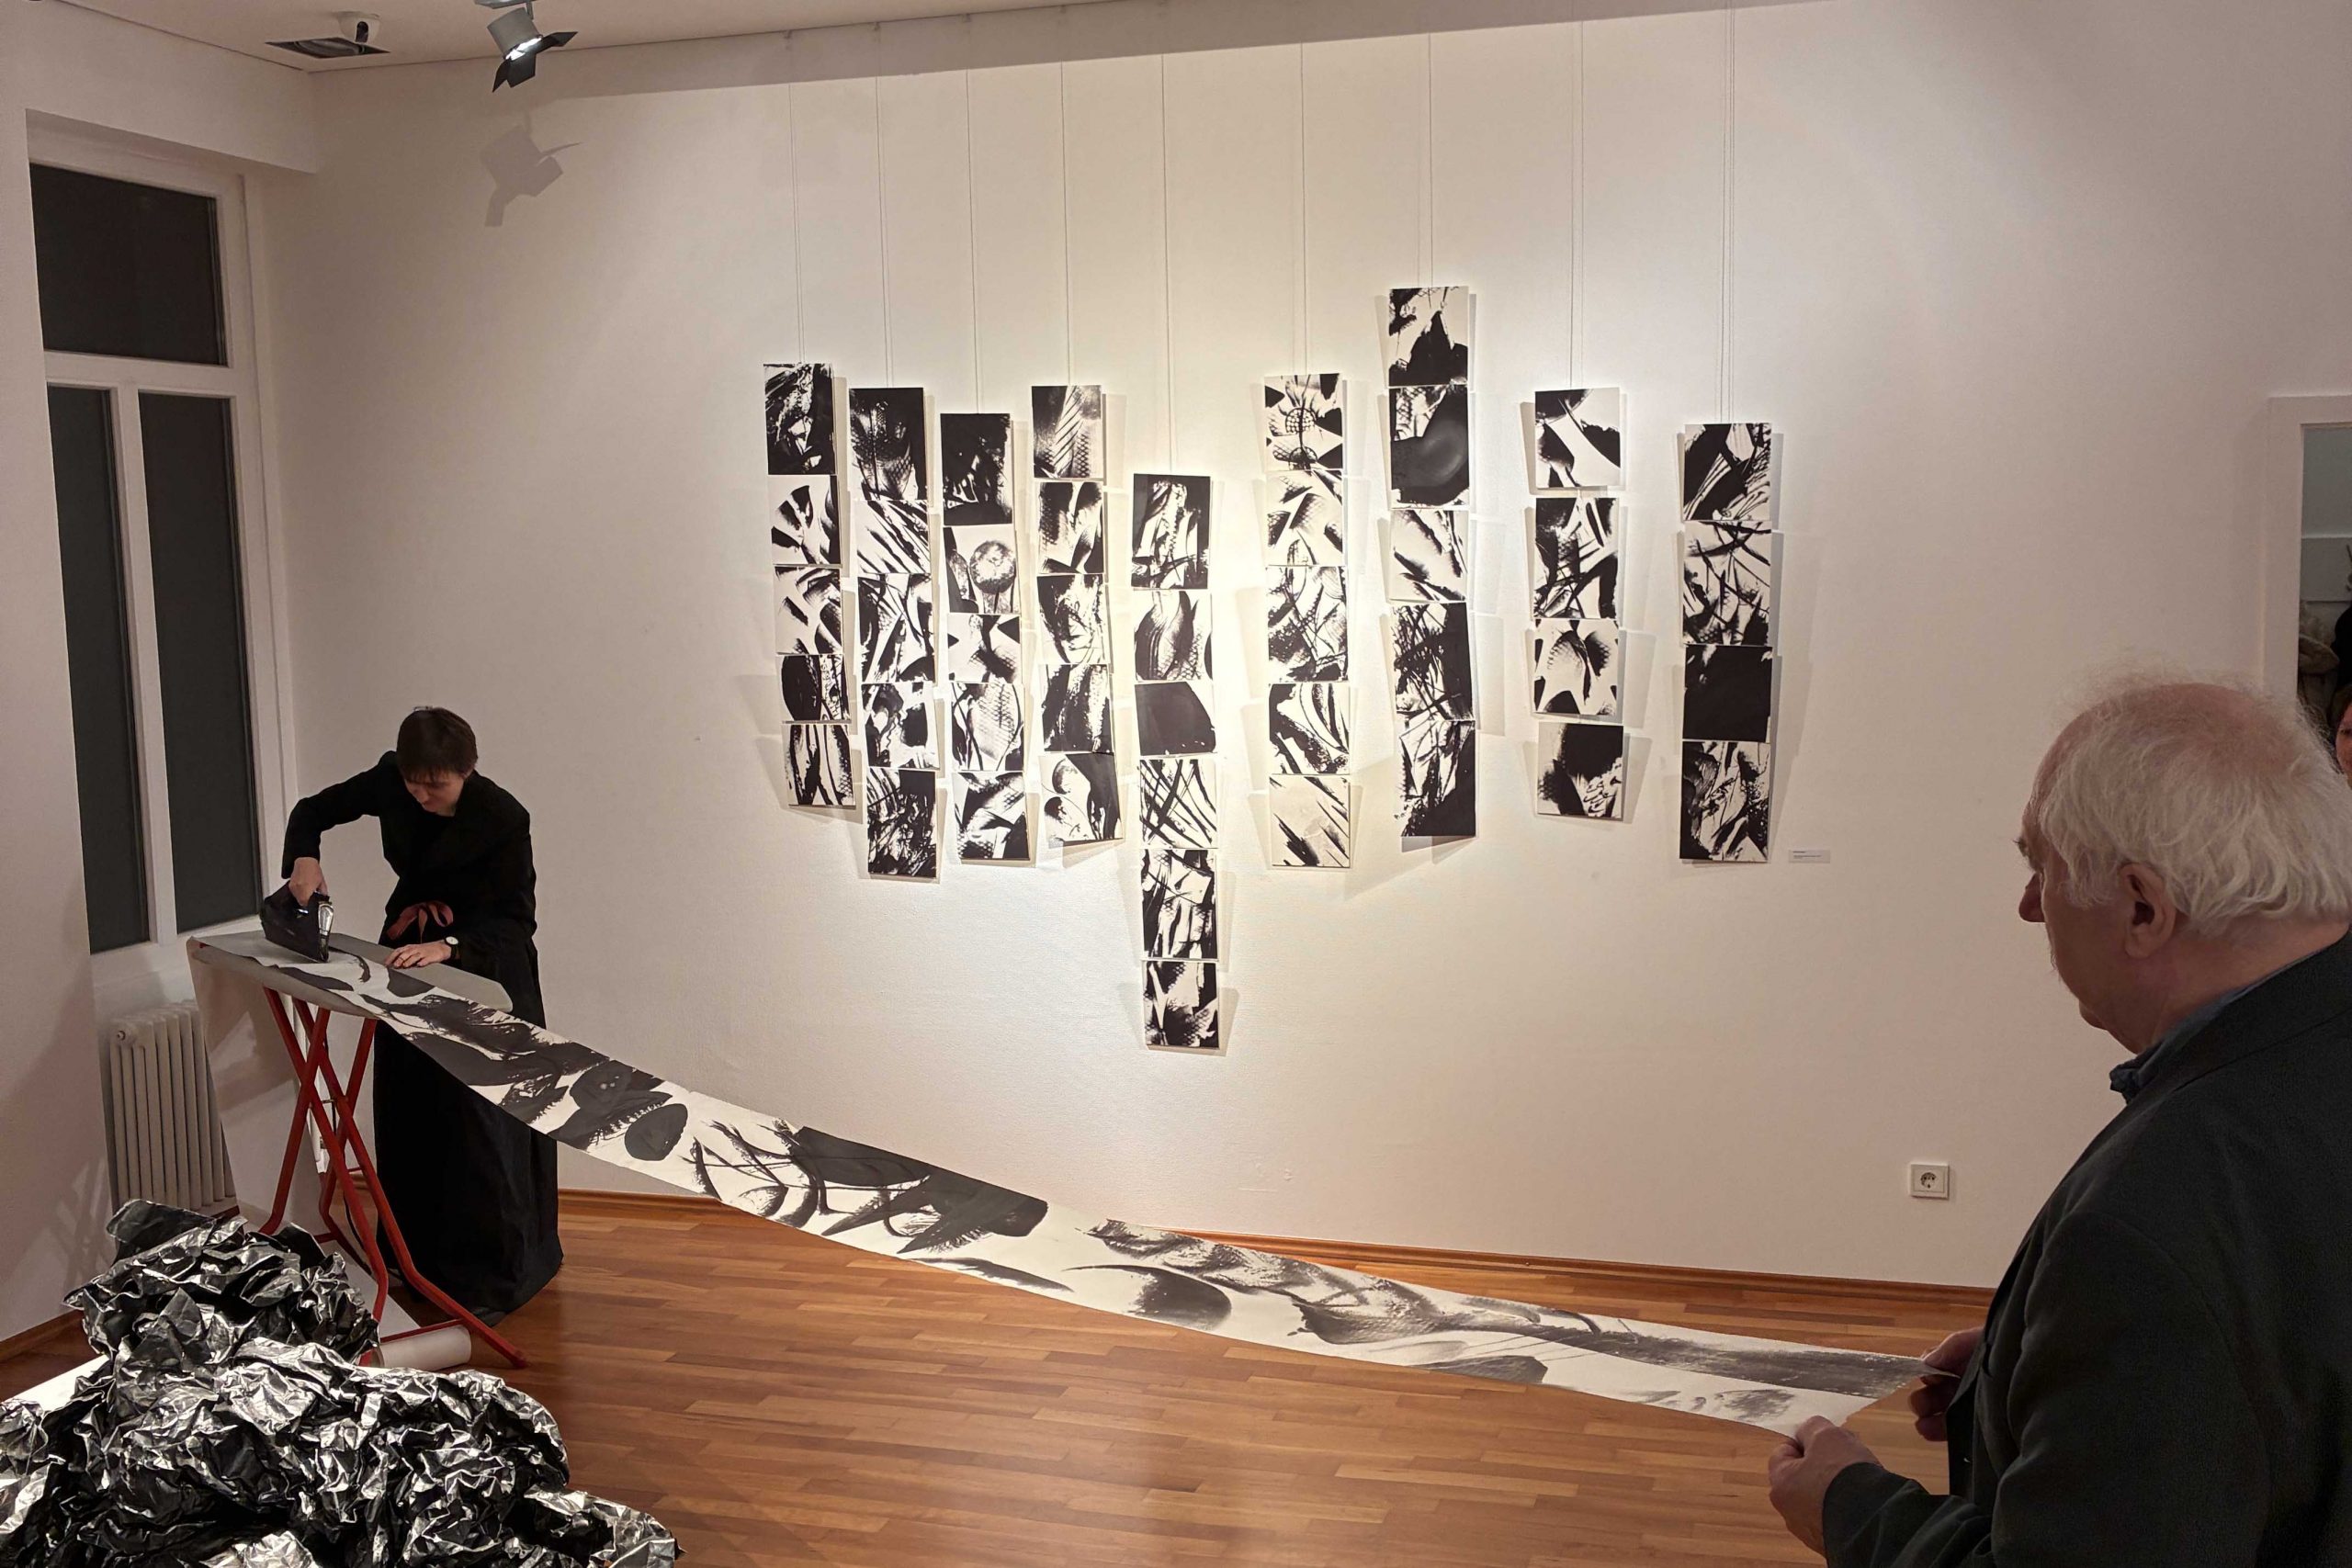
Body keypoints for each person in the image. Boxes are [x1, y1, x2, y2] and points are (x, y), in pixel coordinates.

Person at [1766, 677, 2352, 1564]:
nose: (2030, 904)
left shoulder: (2152, 1219)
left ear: (2143, 907)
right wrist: (2039, 1363)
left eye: (2041, 865)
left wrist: (1852, 1508)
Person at [281, 706, 561, 1321]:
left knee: (481, 1123)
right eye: (414, 783)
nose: (422, 796)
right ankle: (418, 1263)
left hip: (487, 965)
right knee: (413, 1112)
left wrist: (450, 946)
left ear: (467, 770)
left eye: (436, 784)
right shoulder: (392, 781)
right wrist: (304, 858)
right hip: (409, 957)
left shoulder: (503, 817)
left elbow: (517, 921)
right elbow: (312, 810)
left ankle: (496, 1273)